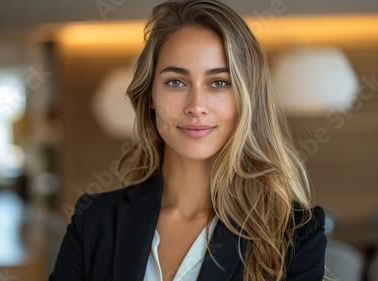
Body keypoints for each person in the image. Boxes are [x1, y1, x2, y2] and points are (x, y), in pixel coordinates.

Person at [49, 0, 327, 280]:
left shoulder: (294, 233)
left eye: (219, 83)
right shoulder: (94, 220)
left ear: (246, 99)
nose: (196, 106)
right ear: (150, 97)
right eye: (175, 82)